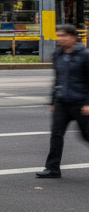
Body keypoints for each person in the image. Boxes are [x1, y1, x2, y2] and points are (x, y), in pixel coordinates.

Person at [36, 23, 89, 178]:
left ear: (73, 38)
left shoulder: (85, 55)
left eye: (63, 36)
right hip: (62, 102)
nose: (59, 39)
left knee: (86, 135)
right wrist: (53, 101)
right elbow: (57, 79)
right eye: (58, 36)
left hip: (80, 104)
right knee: (56, 134)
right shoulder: (58, 55)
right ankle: (52, 168)